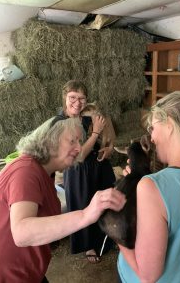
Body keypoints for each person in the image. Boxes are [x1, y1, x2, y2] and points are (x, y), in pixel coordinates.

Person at [0, 117, 126, 282]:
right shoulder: (26, 171)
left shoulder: (44, 173)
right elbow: (21, 233)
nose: (79, 147)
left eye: (80, 141)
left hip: (27, 274)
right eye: (72, 140)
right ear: (50, 141)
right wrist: (86, 214)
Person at [118, 91, 180, 283]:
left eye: (153, 128)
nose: (152, 137)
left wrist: (117, 235)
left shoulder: (151, 187)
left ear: (170, 124)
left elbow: (148, 276)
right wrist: (142, 187)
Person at [55, 80, 116, 263]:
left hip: (98, 166)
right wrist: (96, 132)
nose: (77, 102)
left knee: (104, 204)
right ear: (65, 97)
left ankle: (106, 238)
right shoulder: (61, 122)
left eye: (82, 98)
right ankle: (88, 244)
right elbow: (79, 156)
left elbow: (104, 141)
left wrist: (108, 149)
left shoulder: (87, 116)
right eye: (72, 97)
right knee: (83, 206)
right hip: (77, 172)